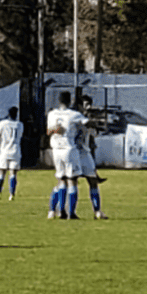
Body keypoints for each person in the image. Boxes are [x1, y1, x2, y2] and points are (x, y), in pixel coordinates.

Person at [46, 91, 88, 220]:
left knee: (61, 180)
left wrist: (58, 129)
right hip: (69, 149)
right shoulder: (74, 114)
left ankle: (60, 211)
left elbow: (49, 131)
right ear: (70, 101)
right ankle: (71, 213)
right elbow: (87, 123)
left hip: (56, 150)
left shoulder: (51, 114)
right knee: (72, 180)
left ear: (58, 101)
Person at [76, 95, 108, 220]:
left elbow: (93, 132)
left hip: (85, 153)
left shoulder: (87, 117)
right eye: (85, 104)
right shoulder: (74, 116)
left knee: (93, 182)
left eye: (89, 104)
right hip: (73, 153)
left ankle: (97, 212)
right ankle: (55, 209)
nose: (88, 107)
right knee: (66, 182)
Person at [0, 107, 24, 201]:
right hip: (16, 150)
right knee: (13, 173)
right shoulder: (20, 124)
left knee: (2, 172)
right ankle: (12, 194)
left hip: (5, 150)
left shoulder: (3, 123)